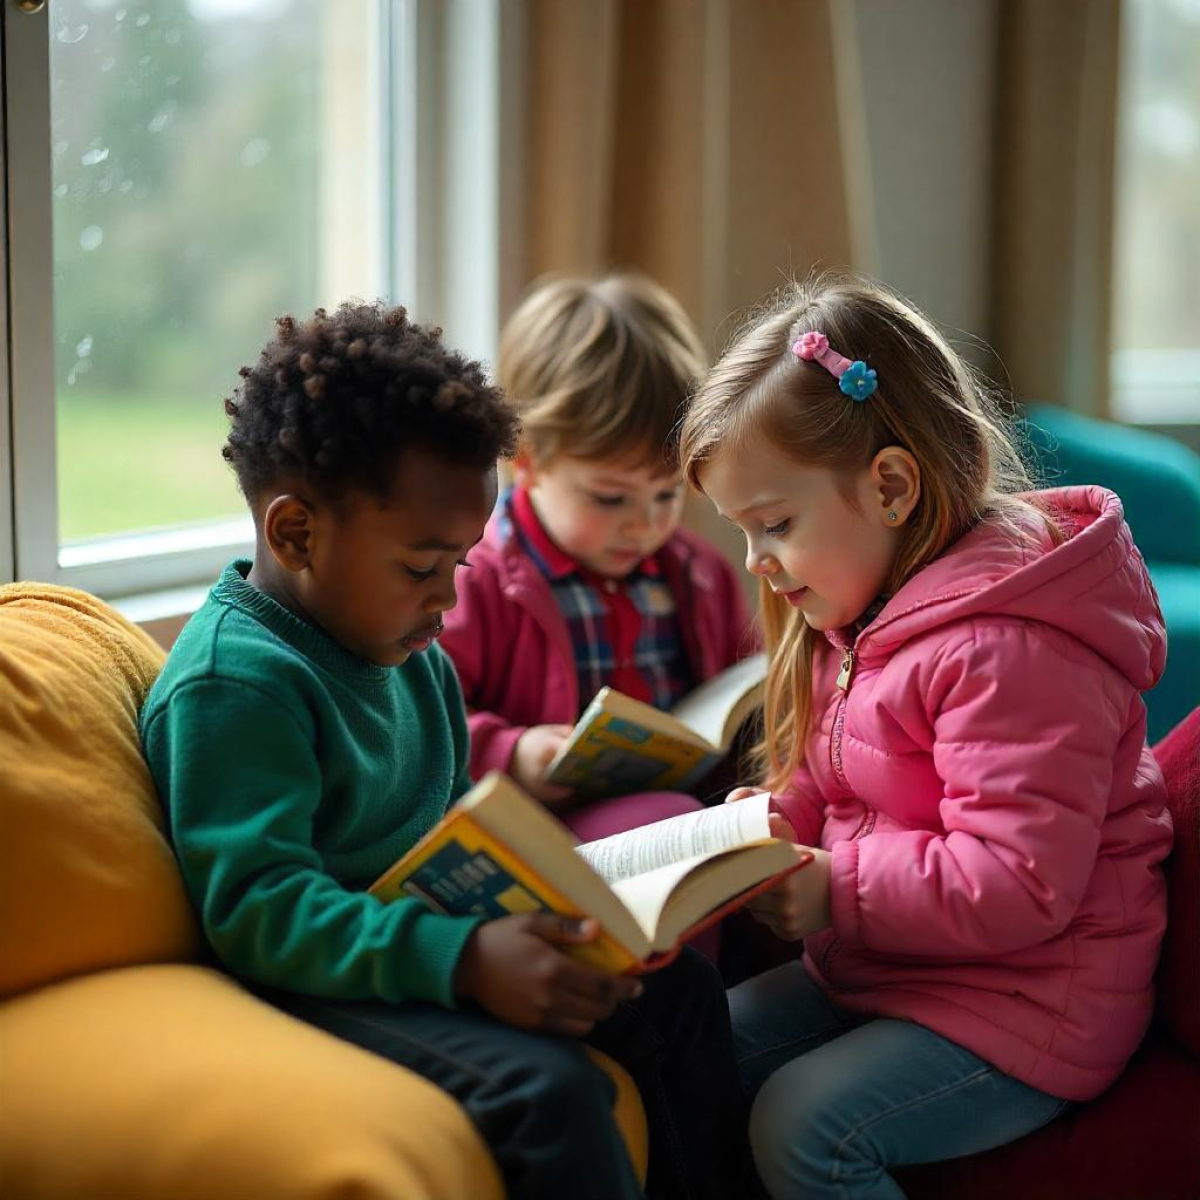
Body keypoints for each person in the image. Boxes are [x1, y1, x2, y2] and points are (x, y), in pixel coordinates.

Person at [140, 302, 758, 1200]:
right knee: (550, 1094)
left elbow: (455, 835)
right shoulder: (238, 684)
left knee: (681, 1001)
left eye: (462, 566)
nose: (446, 600)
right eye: (422, 567)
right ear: (296, 533)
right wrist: (465, 961)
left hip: (418, 945)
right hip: (313, 982)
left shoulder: (405, 649)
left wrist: (561, 917)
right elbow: (260, 911)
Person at [677, 271, 1173, 1200]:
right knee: (696, 1044)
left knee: (805, 1124)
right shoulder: (865, 617)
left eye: (775, 524)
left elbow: (1021, 882)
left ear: (893, 486)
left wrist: (833, 889)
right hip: (901, 972)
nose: (757, 562)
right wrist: (772, 821)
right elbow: (838, 781)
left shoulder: (1007, 650)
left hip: (1030, 1005)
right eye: (743, 532)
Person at [441, 272, 755, 846]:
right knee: (672, 827)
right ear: (527, 460)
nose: (645, 524)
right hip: (544, 826)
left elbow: (748, 690)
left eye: (668, 494)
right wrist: (513, 751)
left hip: (693, 801)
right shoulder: (477, 577)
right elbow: (424, 715)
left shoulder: (698, 573)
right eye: (610, 498)